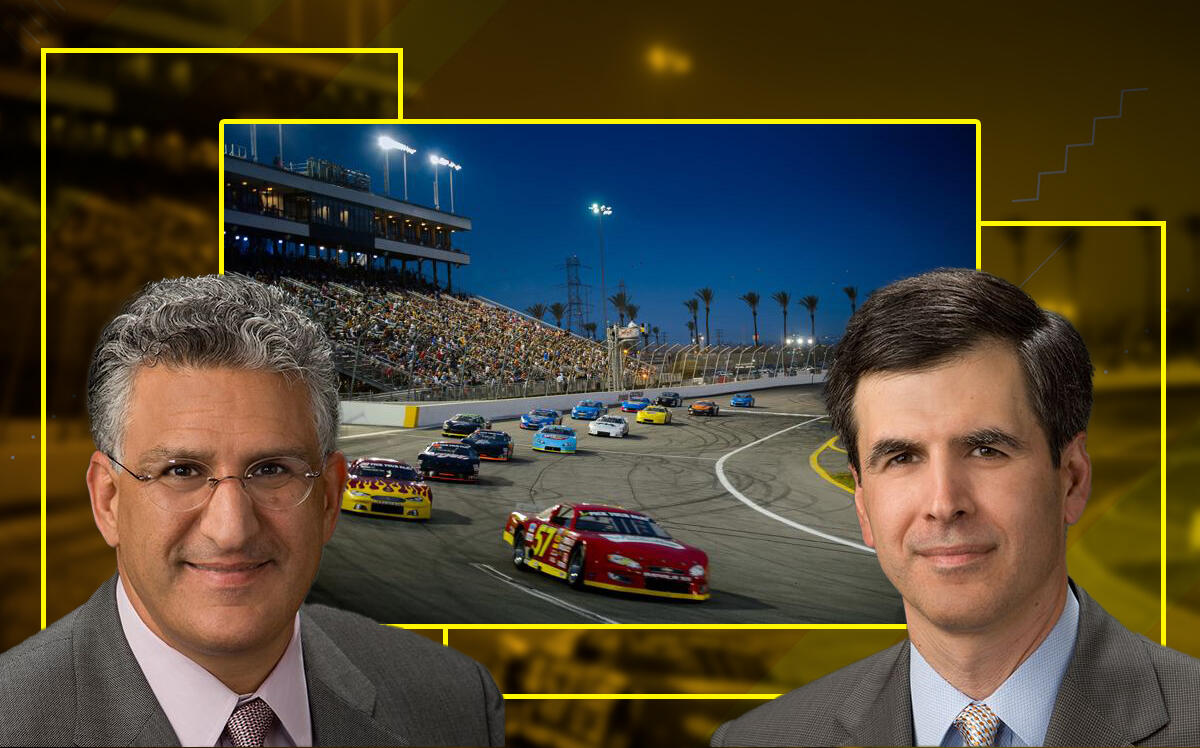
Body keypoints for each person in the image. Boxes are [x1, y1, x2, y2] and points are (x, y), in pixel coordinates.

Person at [0, 275, 504, 747]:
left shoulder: (457, 705)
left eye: (271, 470)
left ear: (329, 499)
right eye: (181, 471)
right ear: (107, 500)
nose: (231, 529)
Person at [712, 268, 1200, 747]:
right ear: (864, 508)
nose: (944, 504)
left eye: (987, 451)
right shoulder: (759, 740)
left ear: (1071, 479)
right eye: (902, 458)